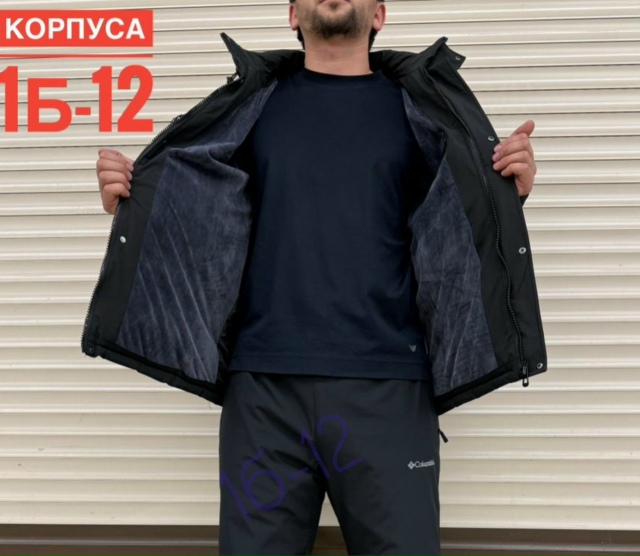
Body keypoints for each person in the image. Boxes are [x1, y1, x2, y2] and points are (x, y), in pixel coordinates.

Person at [93, 1, 539, 554]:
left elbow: (455, 225)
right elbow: (200, 213)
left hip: (390, 391)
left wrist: (506, 194)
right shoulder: (247, 108)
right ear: (291, 15)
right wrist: (136, 202)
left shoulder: (425, 111)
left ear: (379, 15)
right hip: (264, 394)